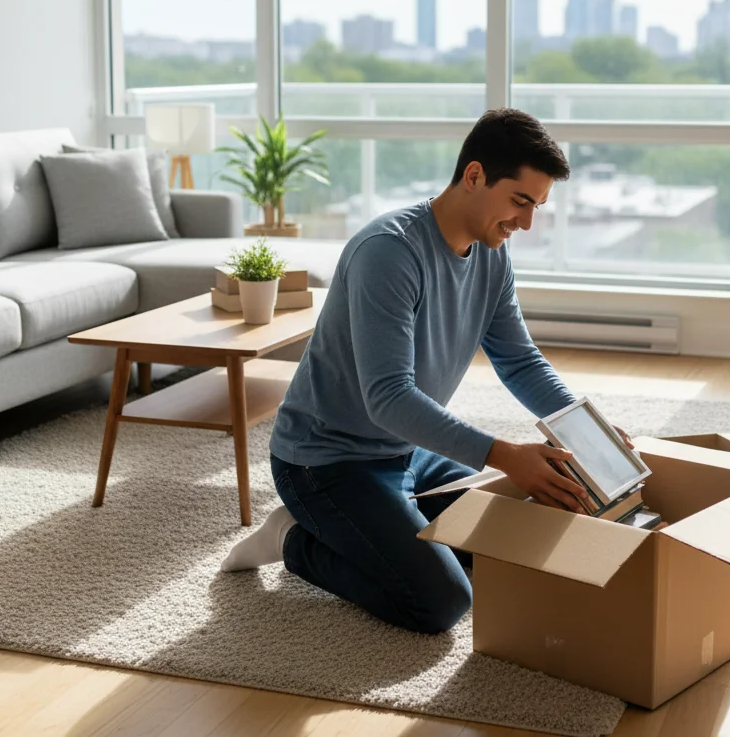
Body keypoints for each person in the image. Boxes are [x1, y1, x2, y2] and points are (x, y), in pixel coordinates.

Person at [221, 108, 629, 633]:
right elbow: (388, 398)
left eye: (537, 207)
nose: (527, 223)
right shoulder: (388, 253)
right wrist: (505, 455)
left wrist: (585, 429)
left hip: (409, 454)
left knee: (513, 541)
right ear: (475, 175)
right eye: (521, 201)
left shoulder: (491, 253)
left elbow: (519, 360)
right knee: (440, 602)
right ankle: (295, 541)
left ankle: (381, 521)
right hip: (327, 463)